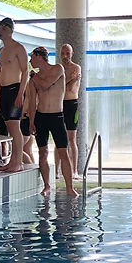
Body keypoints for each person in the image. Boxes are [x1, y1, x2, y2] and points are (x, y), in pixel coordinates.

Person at [28, 47, 78, 196]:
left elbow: (45, 84)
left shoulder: (58, 69)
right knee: (42, 153)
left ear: (39, 57)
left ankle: (70, 188)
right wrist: (31, 121)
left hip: (57, 116)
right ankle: (47, 186)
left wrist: (33, 77)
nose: (30, 61)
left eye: (32, 57)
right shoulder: (33, 79)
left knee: (63, 152)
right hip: (41, 117)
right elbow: (32, 102)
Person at [0, 17, 29, 172]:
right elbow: (2, 73)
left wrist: (21, 93)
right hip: (5, 90)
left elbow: (26, 71)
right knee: (9, 126)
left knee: (15, 126)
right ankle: (12, 161)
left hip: (16, 89)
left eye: (2, 29)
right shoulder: (2, 51)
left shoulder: (18, 48)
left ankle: (19, 162)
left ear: (9, 30)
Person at [60, 43, 82, 173]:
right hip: (60, 104)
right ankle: (57, 171)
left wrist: (69, 81)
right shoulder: (58, 69)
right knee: (59, 139)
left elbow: (69, 88)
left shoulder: (76, 67)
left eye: (67, 53)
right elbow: (63, 86)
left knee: (71, 139)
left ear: (72, 54)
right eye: (63, 53)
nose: (65, 56)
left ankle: (74, 171)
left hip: (72, 104)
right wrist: (71, 79)